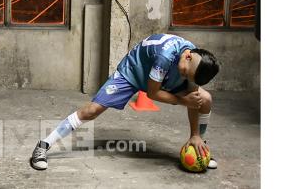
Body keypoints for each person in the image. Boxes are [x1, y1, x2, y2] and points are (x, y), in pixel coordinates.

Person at [30, 34, 220, 170]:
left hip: (164, 74)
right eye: (185, 72)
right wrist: (181, 100)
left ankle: (198, 144)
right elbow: (153, 93)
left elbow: (193, 98)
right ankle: (43, 145)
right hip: (133, 72)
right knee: (92, 110)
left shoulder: (193, 59)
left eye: (188, 76)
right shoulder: (165, 56)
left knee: (205, 99)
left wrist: (194, 131)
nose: (185, 76)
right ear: (187, 56)